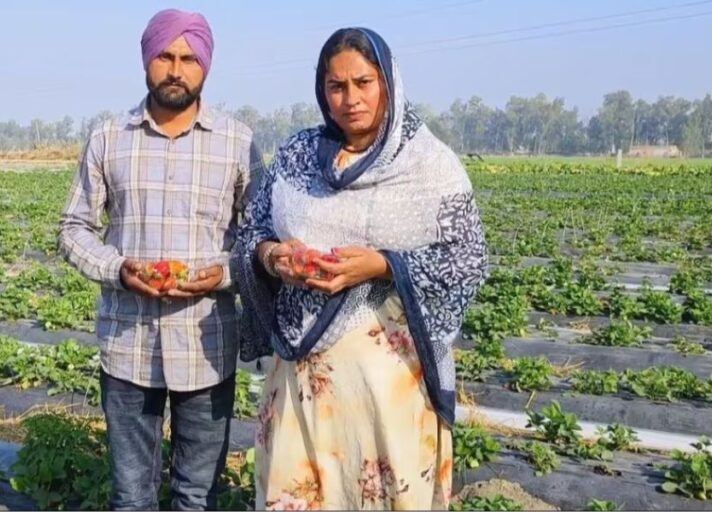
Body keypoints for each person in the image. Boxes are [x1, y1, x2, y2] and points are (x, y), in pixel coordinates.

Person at [232, 28, 488, 510]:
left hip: (389, 383)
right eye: (337, 86)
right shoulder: (296, 157)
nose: (350, 99)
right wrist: (273, 257)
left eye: (364, 83)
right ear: (321, 91)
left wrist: (383, 264)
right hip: (302, 377)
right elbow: (251, 233)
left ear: (389, 83)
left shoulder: (429, 164)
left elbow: (468, 258)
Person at [57, 8, 264, 510]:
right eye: (166, 56)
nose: (176, 69)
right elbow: (73, 228)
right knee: (132, 496)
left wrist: (225, 272)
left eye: (189, 58)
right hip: (128, 345)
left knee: (196, 494)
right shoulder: (109, 137)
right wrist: (118, 270)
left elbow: (261, 237)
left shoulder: (239, 142)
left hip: (207, 348)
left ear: (206, 67)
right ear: (147, 59)